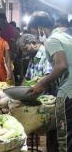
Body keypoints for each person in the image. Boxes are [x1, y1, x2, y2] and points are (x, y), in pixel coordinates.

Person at [27, 11, 72, 152]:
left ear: (40, 28)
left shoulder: (52, 39)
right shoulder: (66, 36)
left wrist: (41, 84)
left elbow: (61, 65)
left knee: (64, 138)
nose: (36, 37)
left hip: (68, 93)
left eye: (35, 33)